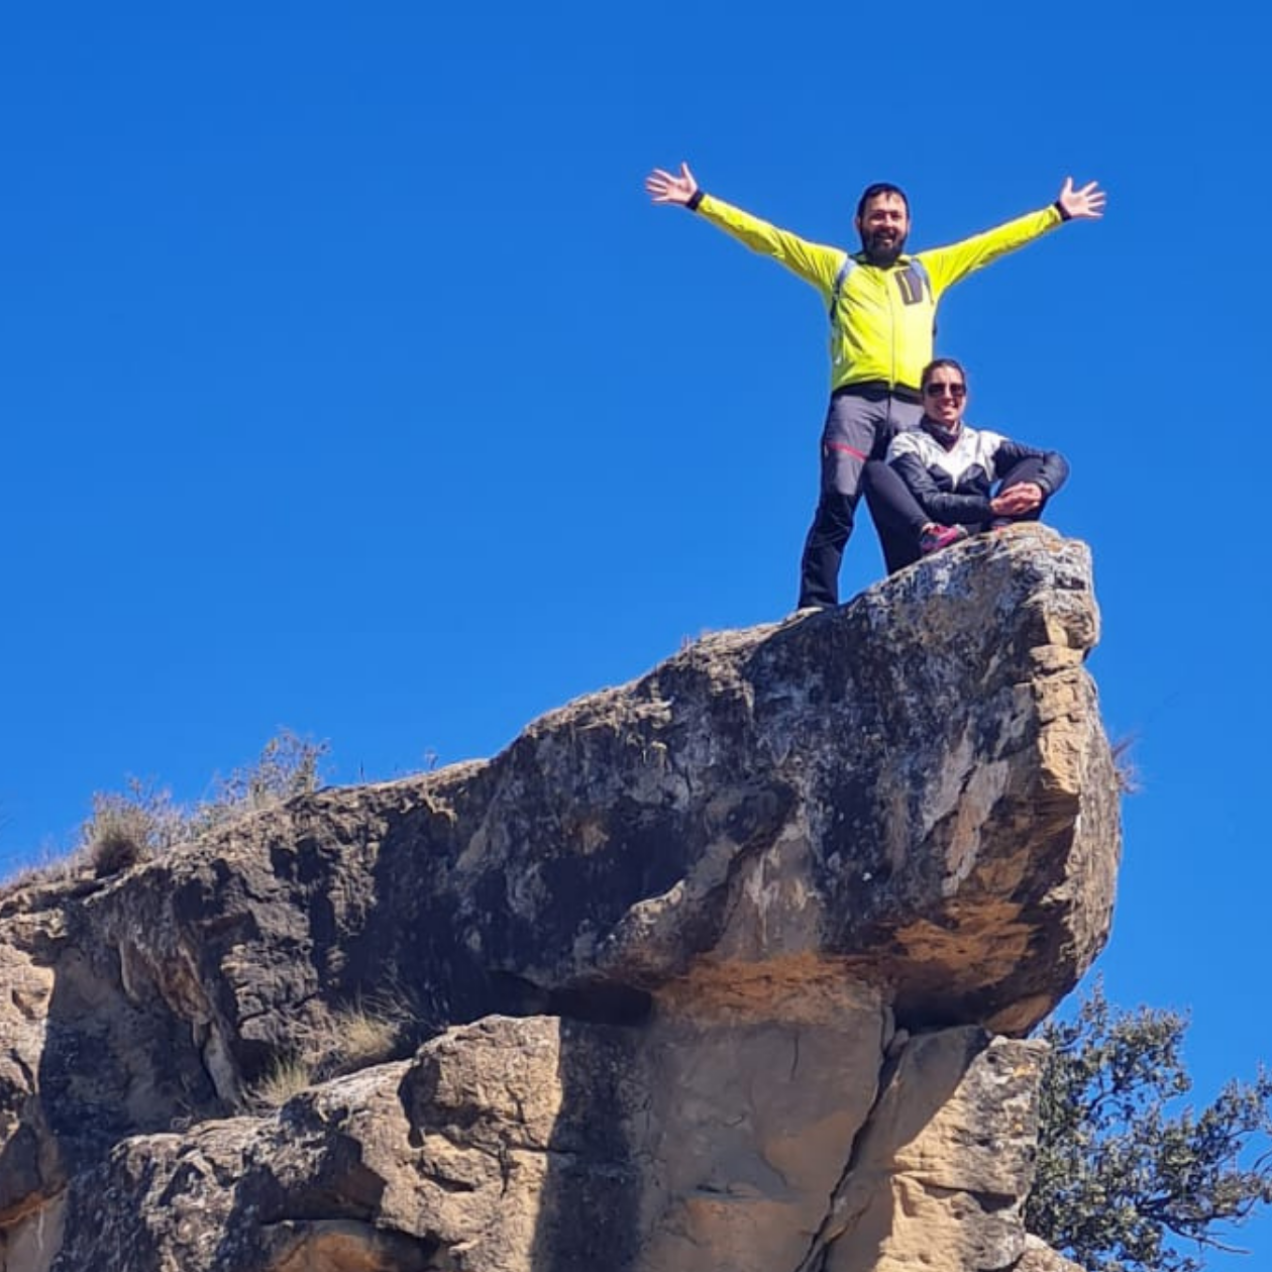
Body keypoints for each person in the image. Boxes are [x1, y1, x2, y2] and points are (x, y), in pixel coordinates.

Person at [644, 163, 1104, 608]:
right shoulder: (837, 269)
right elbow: (770, 241)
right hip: (855, 402)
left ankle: (912, 579)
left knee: (911, 498)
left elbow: (991, 244)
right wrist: (700, 201)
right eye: (878, 215)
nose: (887, 223)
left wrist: (1056, 213)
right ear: (859, 222)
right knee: (839, 497)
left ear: (908, 225)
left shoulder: (928, 271)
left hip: (911, 406)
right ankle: (815, 603)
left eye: (895, 216)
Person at [861, 358, 1069, 574]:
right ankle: (930, 535)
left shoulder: (984, 442)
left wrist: (1039, 487)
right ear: (922, 399)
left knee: (1034, 463)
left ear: (966, 397)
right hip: (919, 549)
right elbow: (930, 501)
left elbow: (1054, 460)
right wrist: (992, 507)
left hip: (977, 537)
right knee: (874, 470)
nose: (947, 396)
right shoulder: (907, 443)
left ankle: (1004, 528)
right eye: (936, 389)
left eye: (956, 389)